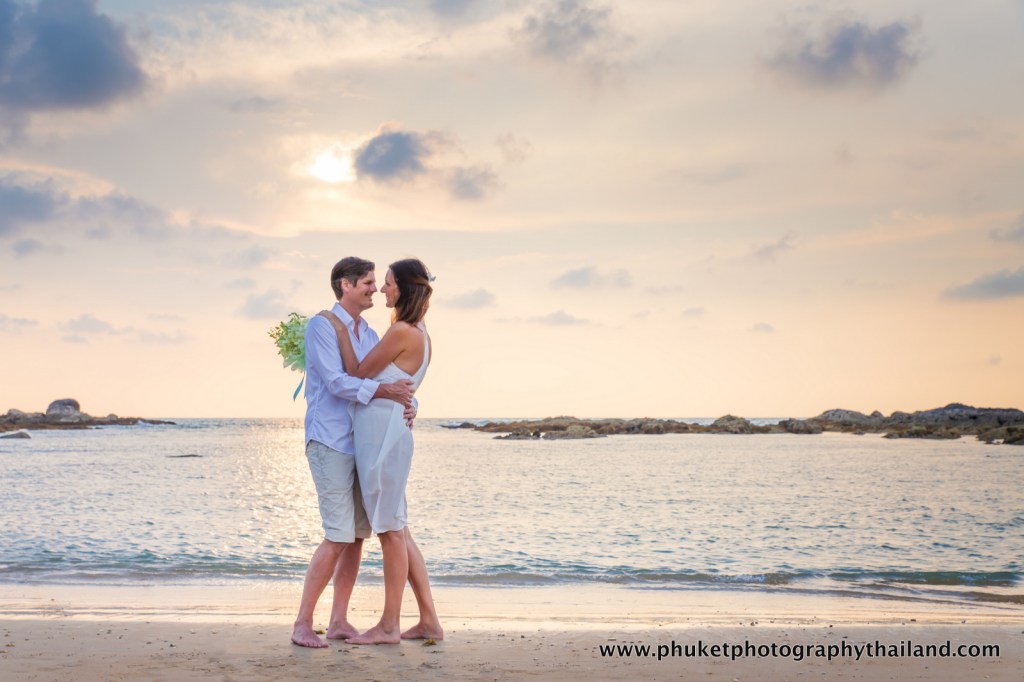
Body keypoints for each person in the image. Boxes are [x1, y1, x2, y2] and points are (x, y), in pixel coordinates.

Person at [291, 256, 417, 649]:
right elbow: (336, 381)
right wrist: (385, 391)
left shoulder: (370, 332)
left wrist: (409, 404)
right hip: (329, 440)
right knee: (337, 534)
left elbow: (390, 379)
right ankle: (302, 623)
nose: (374, 288)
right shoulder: (322, 326)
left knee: (358, 536)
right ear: (345, 285)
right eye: (367, 282)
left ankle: (339, 620)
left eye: (376, 282)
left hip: (363, 444)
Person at [318, 258, 443, 645]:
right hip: (388, 431)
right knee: (398, 528)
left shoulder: (401, 331)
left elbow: (356, 373)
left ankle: (389, 625)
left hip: (383, 437)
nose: (383, 289)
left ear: (404, 288)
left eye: (388, 283)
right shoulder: (417, 331)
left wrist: (339, 327)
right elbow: (401, 385)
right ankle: (429, 621)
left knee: (390, 530)